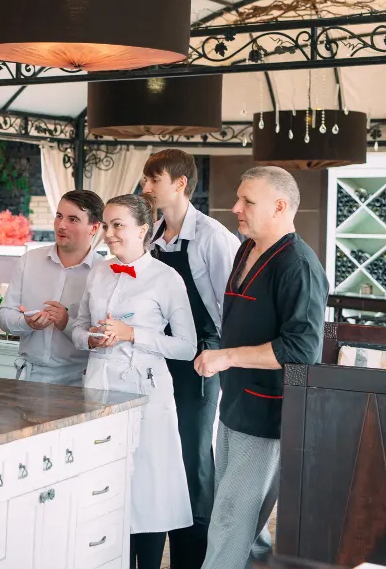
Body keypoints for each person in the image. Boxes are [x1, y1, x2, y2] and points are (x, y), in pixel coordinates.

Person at [195, 166, 328, 569]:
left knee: (231, 519)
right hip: (234, 406)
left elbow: (301, 350)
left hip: (269, 412)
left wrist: (227, 356)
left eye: (247, 201)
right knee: (243, 523)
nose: (235, 207)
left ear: (280, 206)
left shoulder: (299, 266)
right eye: (238, 198)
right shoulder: (245, 248)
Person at [71, 194, 197, 569]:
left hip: (148, 393)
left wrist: (132, 334)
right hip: (98, 388)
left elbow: (187, 347)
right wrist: (90, 338)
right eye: (106, 226)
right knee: (104, 483)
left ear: (143, 229)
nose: (108, 234)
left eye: (117, 225)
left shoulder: (166, 278)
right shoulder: (98, 272)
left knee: (147, 488)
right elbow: (77, 328)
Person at [140, 149, 241, 568]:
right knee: (159, 453)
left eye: (153, 180)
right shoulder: (154, 235)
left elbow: (233, 307)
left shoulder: (213, 238)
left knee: (194, 458)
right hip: (156, 356)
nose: (145, 188)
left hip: (201, 358)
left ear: (180, 183)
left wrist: (219, 355)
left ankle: (192, 560)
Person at [0, 190, 104, 386]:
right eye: (59, 216)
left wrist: (66, 324)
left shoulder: (104, 273)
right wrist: (25, 322)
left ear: (94, 227)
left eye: (73, 219)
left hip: (79, 381)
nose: (61, 225)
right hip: (30, 377)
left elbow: (102, 337)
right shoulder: (29, 260)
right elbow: (4, 316)